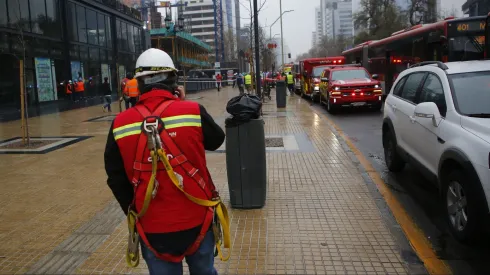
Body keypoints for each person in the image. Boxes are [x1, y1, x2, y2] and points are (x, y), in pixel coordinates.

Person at [104, 48, 228, 275]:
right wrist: (181, 105)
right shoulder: (192, 112)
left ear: (139, 83)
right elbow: (217, 140)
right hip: (197, 220)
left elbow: (115, 176)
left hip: (152, 227)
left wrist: (135, 208)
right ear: (173, 80)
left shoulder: (120, 124)